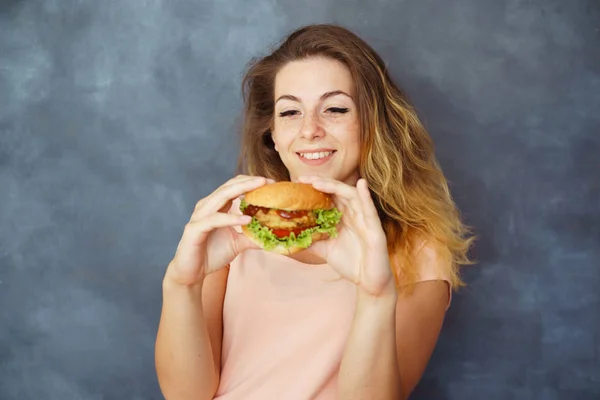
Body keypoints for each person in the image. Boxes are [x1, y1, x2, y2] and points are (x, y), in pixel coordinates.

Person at [154, 23, 474, 400]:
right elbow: (186, 395)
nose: (310, 130)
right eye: (290, 112)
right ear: (271, 132)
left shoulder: (418, 250)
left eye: (335, 109)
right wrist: (182, 284)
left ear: (372, 123)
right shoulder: (237, 226)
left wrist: (374, 295)